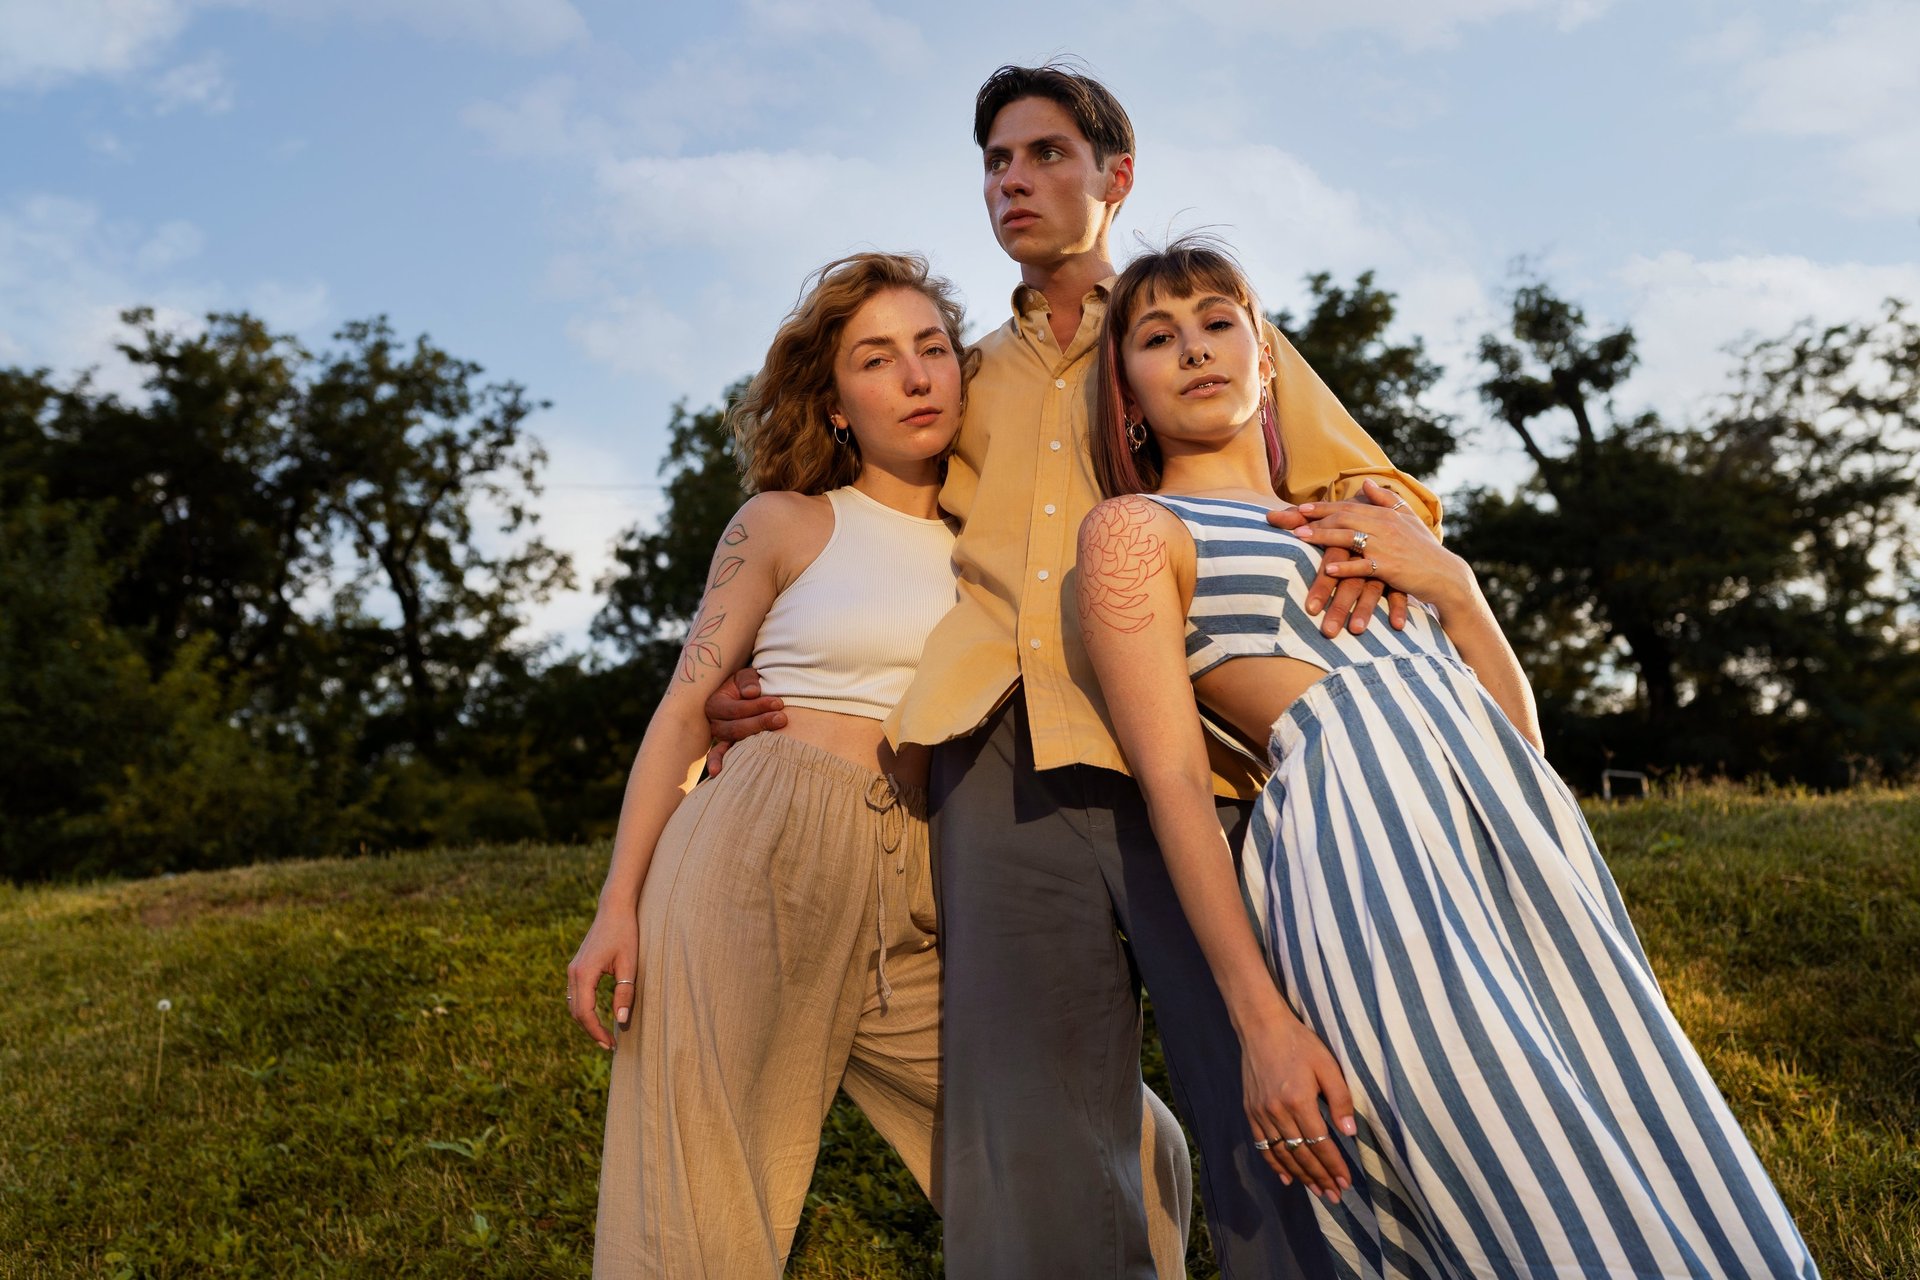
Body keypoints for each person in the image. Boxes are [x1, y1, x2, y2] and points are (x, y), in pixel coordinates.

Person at [711, 63, 1440, 1279]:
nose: (1014, 180)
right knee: (1027, 1119)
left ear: (1119, 176)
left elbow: (1365, 477)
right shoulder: (961, 369)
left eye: (1046, 153)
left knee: (1249, 1065)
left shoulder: (1194, 330)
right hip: (994, 751)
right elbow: (868, 524)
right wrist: (764, 666)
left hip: (1192, 749)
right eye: (996, 162)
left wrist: (1372, 543)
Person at [1076, 236, 1820, 1280]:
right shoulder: (1138, 530)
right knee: (1510, 1175)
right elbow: (1172, 785)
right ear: (1129, 393)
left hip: (1523, 856)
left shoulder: (1370, 511)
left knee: (1652, 1142)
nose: (1194, 349)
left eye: (1217, 322)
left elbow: (1514, 742)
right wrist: (1263, 1023)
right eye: (1158, 337)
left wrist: (1458, 587)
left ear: (1267, 354)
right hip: (1363, 852)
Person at [567, 250, 1194, 1279]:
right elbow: (685, 711)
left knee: (1124, 1137)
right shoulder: (786, 521)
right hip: (760, 851)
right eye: (876, 358)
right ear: (837, 402)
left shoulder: (1000, 545)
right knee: (697, 1191)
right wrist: (617, 904)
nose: (915, 375)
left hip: (941, 872)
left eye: (933, 348)